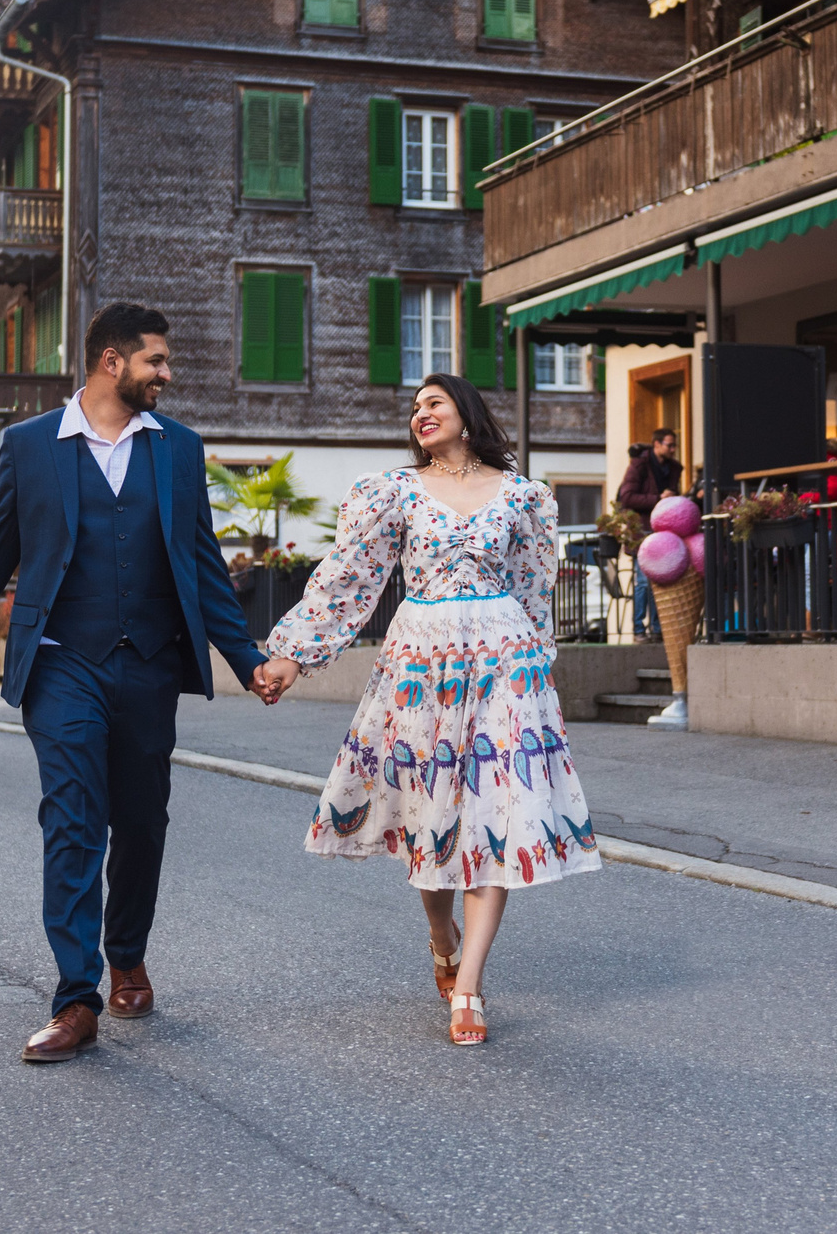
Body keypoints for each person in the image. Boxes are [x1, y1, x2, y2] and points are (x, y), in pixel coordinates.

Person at [0, 302, 267, 1064]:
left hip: (147, 664)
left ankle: (127, 952)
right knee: (73, 818)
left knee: (142, 822)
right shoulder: (32, 445)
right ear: (113, 362)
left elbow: (202, 565)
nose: (167, 374)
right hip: (61, 662)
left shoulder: (178, 450)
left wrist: (250, 660)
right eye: (157, 362)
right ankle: (75, 998)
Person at [250, 375, 597, 1046]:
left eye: (433, 402)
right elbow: (349, 577)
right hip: (422, 667)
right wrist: (292, 654)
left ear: (466, 413)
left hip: (505, 666)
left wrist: (539, 681)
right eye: (414, 407)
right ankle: (441, 931)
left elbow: (533, 591)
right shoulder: (396, 492)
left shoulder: (523, 498)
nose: (420, 413)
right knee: (431, 822)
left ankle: (468, 986)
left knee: (498, 814)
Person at [614, 428, 681, 643]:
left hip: (663, 532)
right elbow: (627, 498)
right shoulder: (639, 465)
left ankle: (657, 629)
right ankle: (638, 630)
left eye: (674, 445)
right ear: (657, 444)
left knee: (658, 581)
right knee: (643, 581)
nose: (673, 449)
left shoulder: (672, 468)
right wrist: (658, 498)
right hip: (642, 531)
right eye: (669, 445)